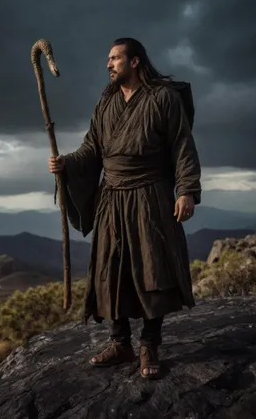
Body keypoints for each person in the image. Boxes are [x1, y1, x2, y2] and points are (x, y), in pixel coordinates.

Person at [48, 37, 201, 379]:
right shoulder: (105, 103)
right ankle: (120, 344)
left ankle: (149, 345)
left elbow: (182, 146)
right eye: (108, 59)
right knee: (110, 271)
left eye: (115, 58)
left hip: (150, 196)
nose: (108, 64)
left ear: (134, 62)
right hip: (112, 199)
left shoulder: (163, 98)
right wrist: (66, 163)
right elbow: (92, 149)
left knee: (152, 270)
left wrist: (186, 191)